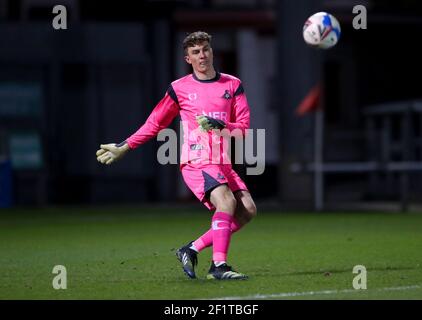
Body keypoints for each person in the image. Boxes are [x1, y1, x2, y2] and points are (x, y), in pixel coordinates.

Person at [96, 31, 257, 280]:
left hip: (223, 162)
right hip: (196, 160)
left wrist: (222, 127)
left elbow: (244, 129)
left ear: (212, 52)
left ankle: (190, 249)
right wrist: (125, 146)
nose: (202, 55)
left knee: (247, 210)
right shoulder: (179, 88)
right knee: (226, 202)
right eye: (195, 52)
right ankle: (218, 266)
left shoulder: (232, 84)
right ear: (187, 58)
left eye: (205, 49)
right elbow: (154, 124)